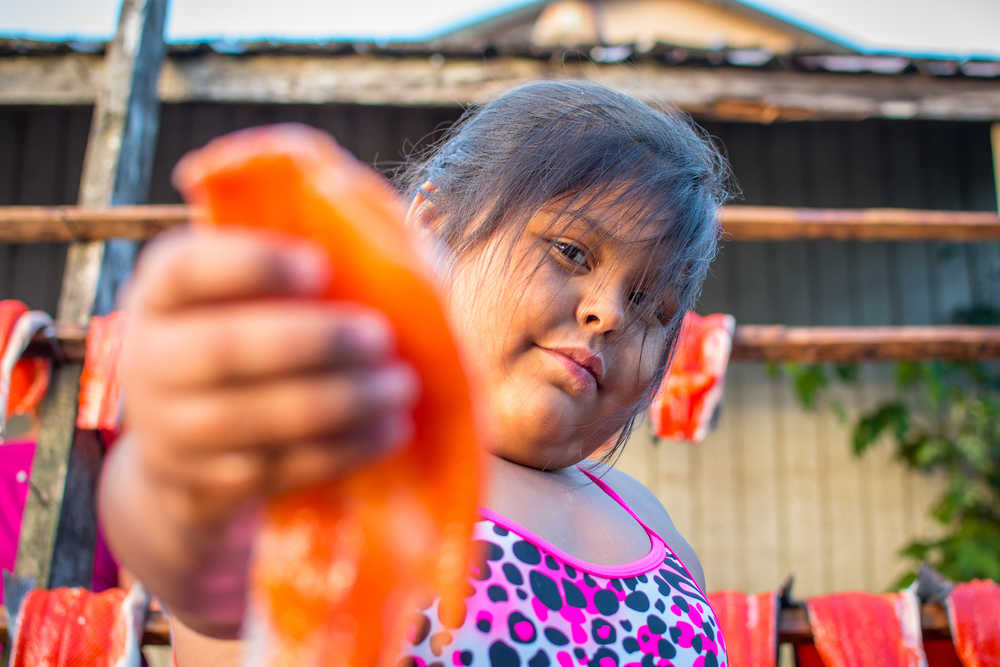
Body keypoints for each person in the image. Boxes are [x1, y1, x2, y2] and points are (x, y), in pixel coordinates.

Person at [99, 80, 732, 666]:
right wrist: (179, 463)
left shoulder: (658, 535)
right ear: (432, 229)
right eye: (571, 252)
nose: (610, 313)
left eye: (652, 304)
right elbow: (203, 557)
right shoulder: (346, 456)